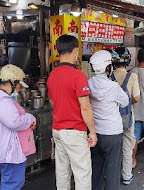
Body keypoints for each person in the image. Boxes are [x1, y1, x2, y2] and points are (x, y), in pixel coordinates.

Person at [47, 34, 97, 190]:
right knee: (82, 174)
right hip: (74, 131)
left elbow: (54, 102)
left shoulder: (52, 75)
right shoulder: (78, 76)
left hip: (57, 130)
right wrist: (93, 132)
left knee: (62, 172)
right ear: (75, 51)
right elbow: (85, 107)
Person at [89, 50, 129, 190]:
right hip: (112, 133)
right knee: (113, 169)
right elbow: (125, 101)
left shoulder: (89, 83)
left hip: (95, 132)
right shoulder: (113, 86)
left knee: (96, 167)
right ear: (108, 67)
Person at [0, 64, 36, 190]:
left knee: (11, 182)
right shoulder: (3, 101)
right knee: (12, 184)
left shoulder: (5, 98)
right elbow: (15, 122)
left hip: (6, 150)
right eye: (19, 85)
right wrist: (30, 117)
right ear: (12, 82)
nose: (19, 88)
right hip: (10, 153)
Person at [111, 46, 140, 185]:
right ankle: (127, 176)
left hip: (111, 118)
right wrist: (128, 103)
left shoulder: (109, 77)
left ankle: (111, 176)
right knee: (127, 147)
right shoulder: (132, 76)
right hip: (128, 117)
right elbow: (137, 97)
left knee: (112, 148)